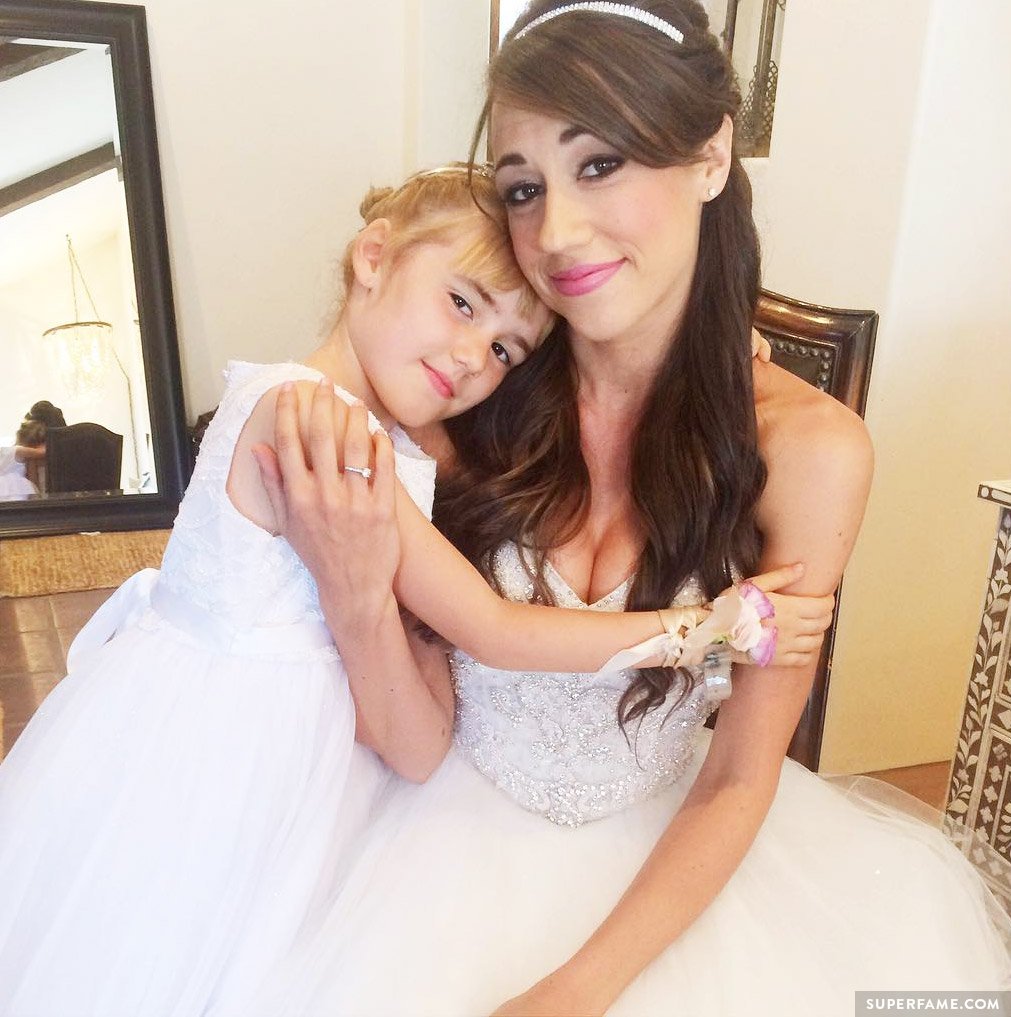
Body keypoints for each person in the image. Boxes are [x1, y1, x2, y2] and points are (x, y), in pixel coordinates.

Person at [249, 4, 1011, 1015]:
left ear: (709, 153)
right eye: (525, 188)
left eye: (600, 164)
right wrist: (353, 591)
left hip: (671, 870)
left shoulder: (809, 451)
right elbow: (409, 722)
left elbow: (742, 779)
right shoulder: (478, 385)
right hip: (420, 839)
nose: (557, 235)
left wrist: (574, 994)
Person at [0, 164, 819, 1017]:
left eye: (505, 348)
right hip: (227, 747)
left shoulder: (379, 427)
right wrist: (710, 629)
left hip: (310, 742)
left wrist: (703, 341)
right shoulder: (318, 426)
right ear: (373, 254)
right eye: (462, 303)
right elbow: (497, 630)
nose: (472, 358)